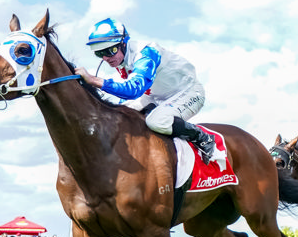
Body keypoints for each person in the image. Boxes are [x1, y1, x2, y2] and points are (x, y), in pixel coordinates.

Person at [74, 18, 215, 165]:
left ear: (123, 43)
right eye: (99, 53)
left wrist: (94, 80)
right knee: (118, 114)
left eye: (110, 50)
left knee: (156, 121)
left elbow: (133, 90)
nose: (106, 58)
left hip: (189, 92)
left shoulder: (146, 53)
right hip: (157, 96)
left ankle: (202, 137)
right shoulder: (120, 56)